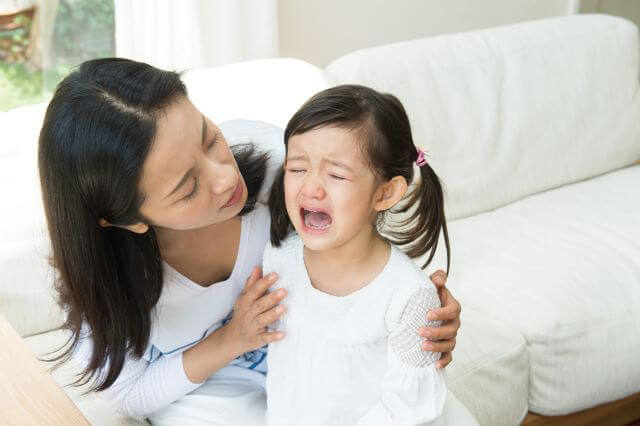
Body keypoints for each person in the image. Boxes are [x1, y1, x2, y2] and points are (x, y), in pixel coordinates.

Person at [38, 58, 463, 425]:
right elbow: (128, 394)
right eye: (187, 189)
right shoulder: (107, 285)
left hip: (320, 363)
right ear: (126, 220)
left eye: (209, 138)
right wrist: (231, 339)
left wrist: (418, 319)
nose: (226, 178)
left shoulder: (278, 165)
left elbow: (359, 238)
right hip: (212, 386)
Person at [263, 85, 472, 425]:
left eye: (336, 175)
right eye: (297, 168)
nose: (311, 188)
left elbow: (406, 409)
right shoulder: (278, 257)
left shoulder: (408, 296)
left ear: (386, 193)